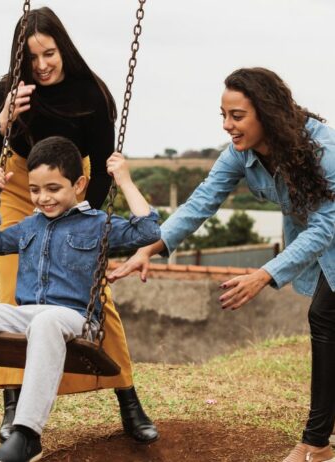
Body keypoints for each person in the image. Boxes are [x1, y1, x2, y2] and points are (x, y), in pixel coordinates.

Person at [109, 67, 335, 462]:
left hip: (329, 233)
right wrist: (153, 246)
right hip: (322, 244)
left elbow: (327, 223)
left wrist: (266, 273)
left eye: (237, 116)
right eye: (224, 115)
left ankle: (316, 444)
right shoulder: (241, 155)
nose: (228, 126)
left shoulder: (322, 147)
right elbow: (201, 202)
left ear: (267, 113)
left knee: (324, 320)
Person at [0, 136, 161, 461]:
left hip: (76, 320)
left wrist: (125, 180)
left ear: (79, 185)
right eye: (35, 190)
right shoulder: (28, 226)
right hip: (30, 315)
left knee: (47, 320)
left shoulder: (97, 225)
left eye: (53, 188)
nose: (43, 198)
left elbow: (148, 231)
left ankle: (27, 434)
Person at [0, 6, 157, 443]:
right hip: (22, 191)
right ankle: (13, 402)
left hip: (75, 193)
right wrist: (4, 119)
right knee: (17, 290)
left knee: (92, 293)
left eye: (49, 53)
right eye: (32, 58)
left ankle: (128, 399)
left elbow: (100, 175)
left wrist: (77, 224)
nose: (41, 65)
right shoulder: (8, 89)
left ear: (63, 48)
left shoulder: (90, 94)